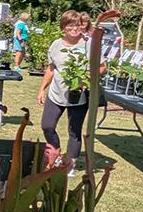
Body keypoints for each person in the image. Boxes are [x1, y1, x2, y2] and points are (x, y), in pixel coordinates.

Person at [37, 10, 106, 176]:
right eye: (70, 25)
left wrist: (85, 78)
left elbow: (102, 66)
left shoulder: (89, 45)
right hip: (56, 93)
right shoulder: (56, 45)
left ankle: (70, 165)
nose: (74, 28)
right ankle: (56, 152)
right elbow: (52, 68)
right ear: (63, 27)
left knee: (74, 131)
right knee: (47, 126)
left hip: (79, 95)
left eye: (76, 25)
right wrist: (42, 89)